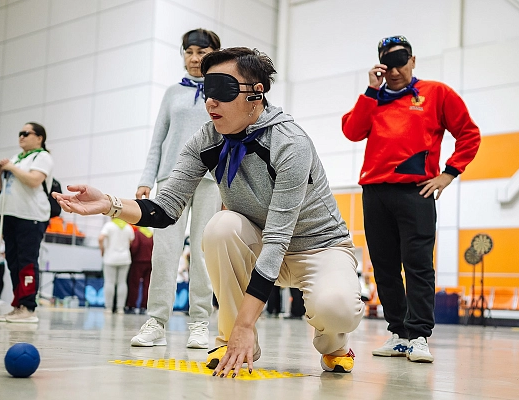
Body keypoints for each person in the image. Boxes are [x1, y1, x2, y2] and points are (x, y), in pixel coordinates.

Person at [55, 47, 364, 376]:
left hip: (318, 247)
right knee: (220, 227)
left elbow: (278, 238)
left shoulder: (290, 143)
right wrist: (110, 204)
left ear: (256, 93)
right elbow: (165, 209)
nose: (210, 102)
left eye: (222, 90)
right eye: (207, 90)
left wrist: (247, 323)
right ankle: (231, 338)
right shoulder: (206, 140)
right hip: (260, 243)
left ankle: (333, 345)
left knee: (336, 309)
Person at [341, 35, 480, 362]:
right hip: (375, 191)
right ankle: (399, 334)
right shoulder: (374, 99)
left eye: (401, 62)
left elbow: (469, 134)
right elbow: (352, 131)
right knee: (384, 267)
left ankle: (419, 336)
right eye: (388, 64)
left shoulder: (437, 93)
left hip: (416, 191)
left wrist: (449, 173)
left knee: (417, 266)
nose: (395, 70)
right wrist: (371, 90)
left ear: (413, 61)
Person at [131, 28, 223, 349]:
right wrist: (146, 179)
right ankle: (156, 321)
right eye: (189, 52)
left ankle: (199, 322)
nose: (194, 58)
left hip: (211, 179)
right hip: (171, 178)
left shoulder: (224, 91)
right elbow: (158, 139)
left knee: (203, 251)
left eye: (202, 52)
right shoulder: (172, 93)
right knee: (164, 251)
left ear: (214, 54)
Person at [0, 122, 53, 323]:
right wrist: (0, 170)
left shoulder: (42, 157)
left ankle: (28, 307)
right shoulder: (16, 158)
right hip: (9, 214)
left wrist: (11, 167)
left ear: (39, 138)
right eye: (20, 133)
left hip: (31, 215)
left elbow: (34, 180)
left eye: (26, 133)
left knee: (27, 261)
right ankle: (18, 305)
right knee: (13, 262)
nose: (22, 136)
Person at [98, 218, 134, 313]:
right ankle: (120, 308)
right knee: (122, 283)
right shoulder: (128, 227)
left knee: (109, 282)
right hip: (125, 258)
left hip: (110, 257)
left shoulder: (109, 225)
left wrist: (102, 250)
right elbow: (131, 241)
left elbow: (100, 238)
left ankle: (108, 308)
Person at [126, 225, 153, 314]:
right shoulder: (151, 235)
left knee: (134, 284)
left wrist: (131, 256)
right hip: (149, 262)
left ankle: (132, 305)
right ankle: (144, 306)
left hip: (138, 261)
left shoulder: (137, 234)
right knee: (147, 285)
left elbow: (134, 247)